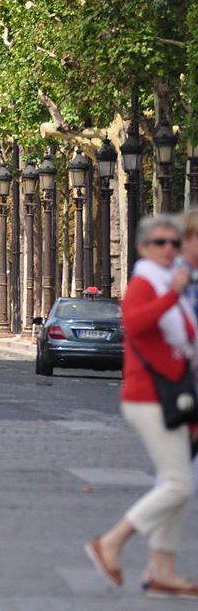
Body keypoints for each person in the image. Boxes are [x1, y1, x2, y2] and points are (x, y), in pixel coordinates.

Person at [86, 214, 198, 598]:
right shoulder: (146, 282)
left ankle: (162, 569)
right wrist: (172, 295)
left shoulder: (168, 282)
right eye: (160, 243)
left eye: (173, 242)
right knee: (179, 484)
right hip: (148, 396)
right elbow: (136, 324)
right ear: (143, 248)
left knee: (179, 485)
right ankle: (112, 542)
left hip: (169, 394)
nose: (169, 249)